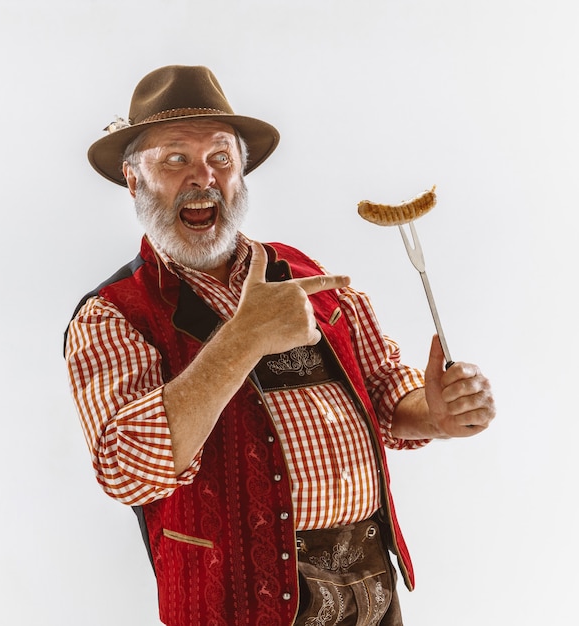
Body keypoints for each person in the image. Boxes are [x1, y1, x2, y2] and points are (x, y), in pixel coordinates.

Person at [64, 65, 495, 626]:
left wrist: (433, 413)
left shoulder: (303, 274)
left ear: (242, 173)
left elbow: (385, 388)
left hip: (370, 586)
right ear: (133, 178)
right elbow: (127, 469)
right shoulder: (115, 313)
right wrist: (242, 339)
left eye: (221, 157)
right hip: (237, 605)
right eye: (175, 159)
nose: (203, 177)